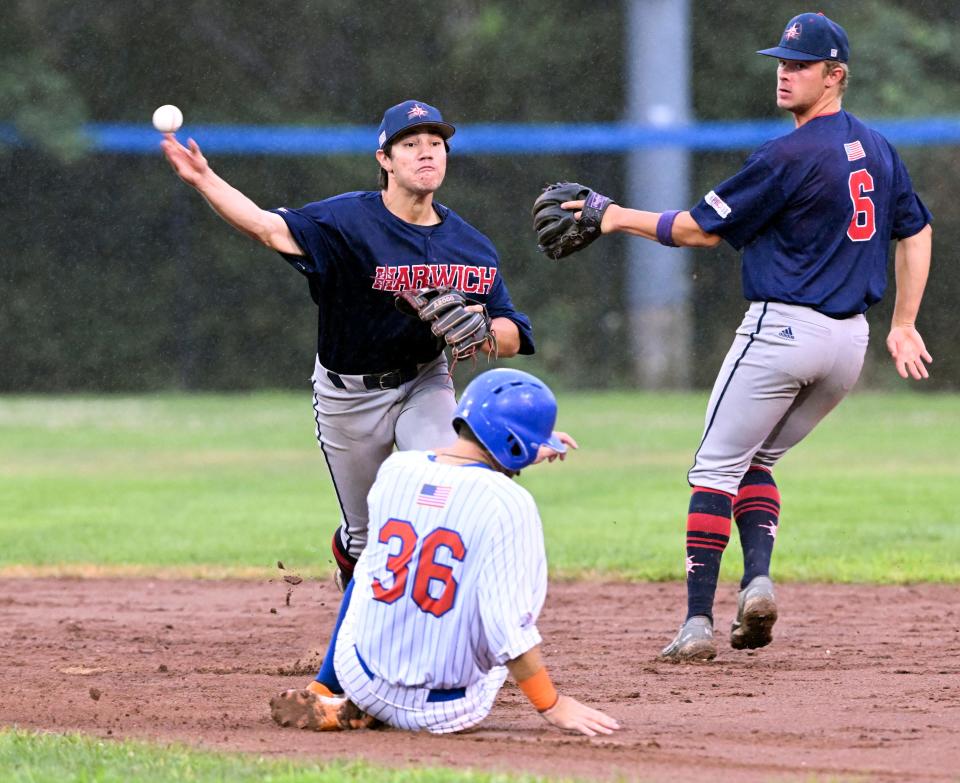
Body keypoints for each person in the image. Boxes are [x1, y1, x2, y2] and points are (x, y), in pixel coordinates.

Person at [552, 12, 933, 661]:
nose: (785, 74)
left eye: (801, 65)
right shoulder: (876, 147)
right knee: (757, 461)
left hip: (782, 330)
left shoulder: (788, 154)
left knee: (713, 470)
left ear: (835, 75)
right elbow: (916, 229)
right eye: (782, 63)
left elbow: (699, 229)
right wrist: (903, 323)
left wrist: (611, 214)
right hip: (848, 345)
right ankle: (756, 581)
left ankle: (697, 623)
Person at [161, 100, 535, 588]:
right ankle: (350, 567)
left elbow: (513, 332)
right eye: (411, 144)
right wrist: (204, 181)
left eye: (436, 144)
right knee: (367, 539)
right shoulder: (345, 223)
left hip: (425, 382)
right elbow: (265, 227)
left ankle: (441, 619)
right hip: (347, 395)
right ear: (385, 159)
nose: (427, 154)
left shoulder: (470, 245)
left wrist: (483, 329)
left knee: (450, 489)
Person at [269, 368, 620, 736]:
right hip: (444, 709)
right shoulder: (511, 502)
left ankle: (333, 691)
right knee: (503, 592)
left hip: (363, 679)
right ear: (514, 443)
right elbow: (508, 628)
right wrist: (553, 705)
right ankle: (383, 706)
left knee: (369, 568)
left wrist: (518, 449)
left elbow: (453, 478)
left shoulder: (396, 471)